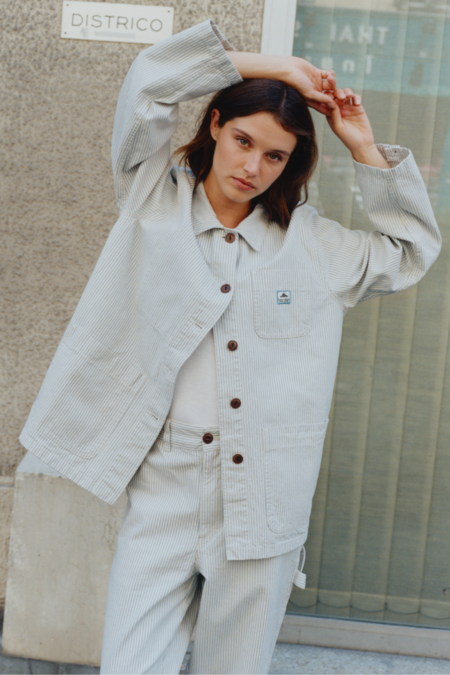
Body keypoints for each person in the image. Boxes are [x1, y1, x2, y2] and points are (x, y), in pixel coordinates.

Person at [19, 19, 441, 675]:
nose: (252, 167)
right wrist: (281, 67)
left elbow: (410, 250)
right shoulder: (150, 200)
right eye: (244, 141)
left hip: (266, 496)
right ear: (215, 124)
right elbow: (151, 79)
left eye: (274, 156)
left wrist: (360, 142)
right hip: (165, 482)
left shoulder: (313, 245)